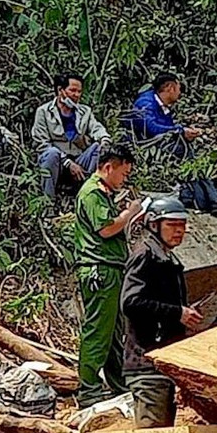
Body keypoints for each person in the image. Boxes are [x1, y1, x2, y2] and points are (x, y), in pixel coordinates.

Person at [120, 196, 202, 428]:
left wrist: (183, 313)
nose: (179, 230)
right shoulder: (145, 256)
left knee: (162, 432)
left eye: (182, 225)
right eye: (172, 224)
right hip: (147, 365)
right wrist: (177, 313)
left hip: (161, 361)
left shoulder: (165, 257)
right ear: (154, 225)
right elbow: (130, 302)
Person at [74, 144, 145, 408]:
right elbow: (105, 229)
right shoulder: (92, 193)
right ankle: (89, 389)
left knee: (114, 332)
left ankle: (118, 383)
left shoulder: (104, 194)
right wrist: (129, 213)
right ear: (107, 168)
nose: (124, 179)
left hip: (112, 268)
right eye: (123, 173)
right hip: (100, 269)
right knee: (98, 331)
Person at [31, 72, 111, 201]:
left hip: (79, 159)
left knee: (97, 147)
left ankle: (87, 194)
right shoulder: (44, 112)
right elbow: (42, 144)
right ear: (60, 90)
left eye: (79, 91)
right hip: (57, 162)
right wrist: (67, 163)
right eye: (72, 91)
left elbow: (96, 128)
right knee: (51, 153)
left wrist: (104, 140)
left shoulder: (85, 111)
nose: (76, 95)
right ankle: (48, 201)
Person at [125, 72, 203, 157]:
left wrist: (185, 134)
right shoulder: (145, 103)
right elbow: (151, 128)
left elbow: (167, 128)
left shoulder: (162, 104)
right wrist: (180, 131)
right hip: (143, 146)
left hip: (156, 143)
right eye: (179, 89)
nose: (179, 93)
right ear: (170, 88)